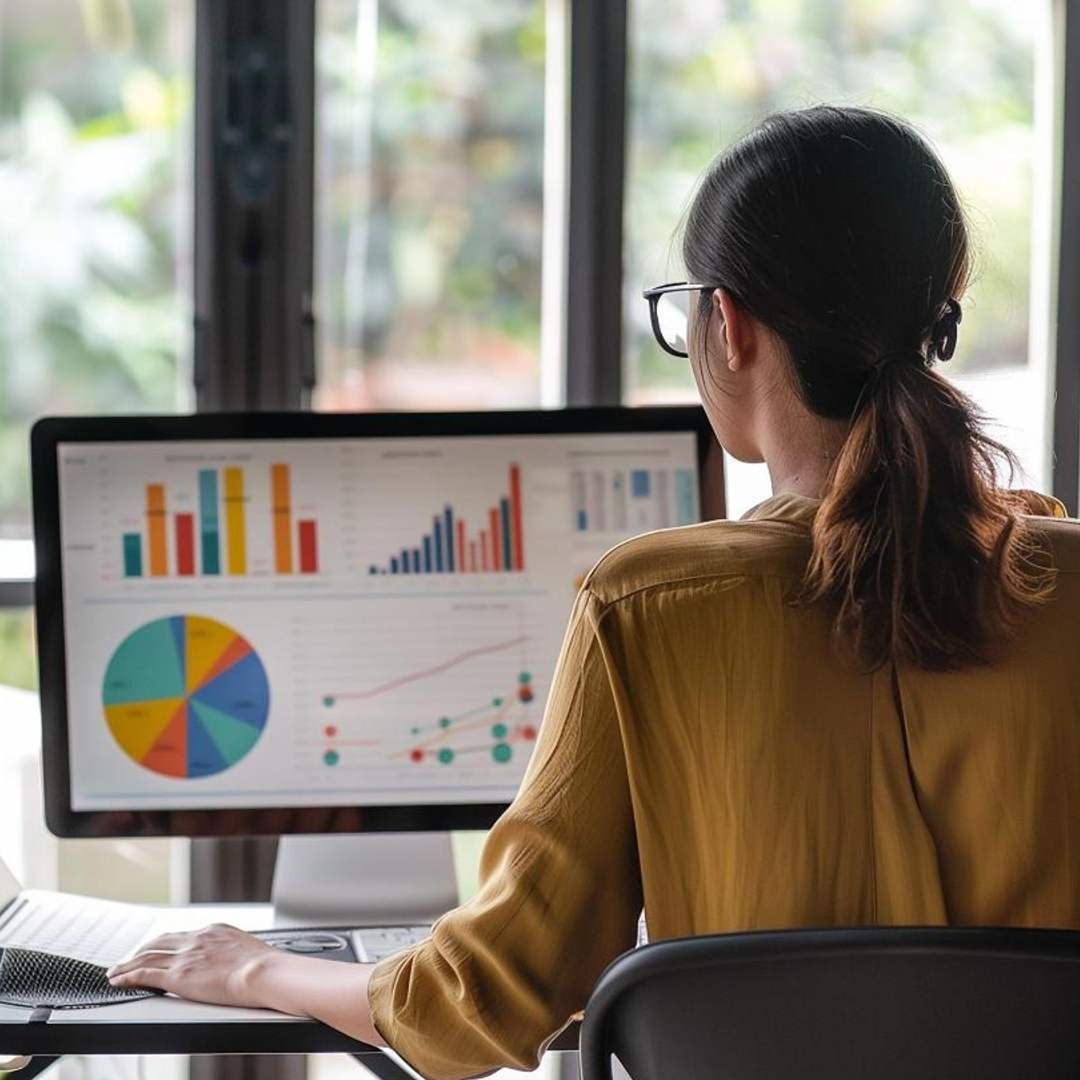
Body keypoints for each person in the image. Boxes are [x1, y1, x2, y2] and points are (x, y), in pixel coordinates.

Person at [108, 106, 1079, 1080]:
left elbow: (491, 996)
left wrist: (252, 971)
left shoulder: (651, 608)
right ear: (934, 319)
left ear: (729, 326)